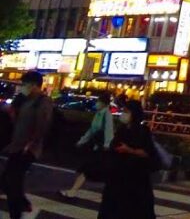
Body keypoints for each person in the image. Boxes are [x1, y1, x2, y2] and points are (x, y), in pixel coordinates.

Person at [2, 71, 54, 219]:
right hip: (17, 146)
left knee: (12, 182)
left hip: (28, 149)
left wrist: (31, 143)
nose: (23, 87)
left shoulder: (43, 101)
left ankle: (16, 213)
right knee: (8, 181)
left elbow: (43, 125)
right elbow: (16, 121)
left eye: (25, 84)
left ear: (34, 85)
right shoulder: (25, 100)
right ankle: (23, 203)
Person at [97, 99, 160, 219]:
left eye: (126, 111)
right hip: (118, 176)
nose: (123, 114)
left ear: (134, 114)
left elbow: (148, 152)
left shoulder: (142, 131)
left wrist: (129, 150)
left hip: (136, 178)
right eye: (123, 111)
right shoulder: (122, 129)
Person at [61, 91, 115, 198]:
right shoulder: (98, 114)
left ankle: (73, 191)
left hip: (102, 148)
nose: (97, 103)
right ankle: (73, 191)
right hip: (97, 146)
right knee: (93, 170)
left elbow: (109, 131)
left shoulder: (107, 115)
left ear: (104, 103)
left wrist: (107, 145)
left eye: (99, 101)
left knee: (87, 169)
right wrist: (82, 141)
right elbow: (91, 130)